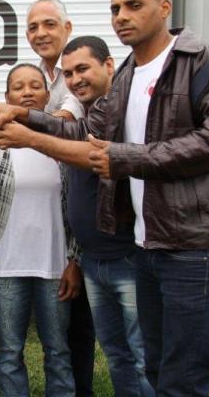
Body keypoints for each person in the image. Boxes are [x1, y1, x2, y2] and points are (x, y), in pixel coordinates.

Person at [0, 0, 209, 396]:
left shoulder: (201, 62)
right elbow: (84, 134)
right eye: (115, 9)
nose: (122, 16)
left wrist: (124, 158)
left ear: (164, 9)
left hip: (196, 245)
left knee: (185, 376)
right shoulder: (127, 75)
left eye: (134, 6)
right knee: (155, 369)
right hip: (146, 245)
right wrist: (24, 116)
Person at [0, 63, 77, 397]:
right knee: (10, 350)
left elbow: (76, 209)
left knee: (58, 349)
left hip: (55, 266)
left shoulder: (61, 142)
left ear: (48, 96)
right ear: (7, 97)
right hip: (5, 264)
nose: (27, 92)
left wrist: (74, 260)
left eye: (35, 85)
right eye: (18, 87)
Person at [63, 35, 152, 396]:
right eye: (68, 73)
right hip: (93, 261)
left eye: (82, 68)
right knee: (116, 355)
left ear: (109, 65)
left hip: (128, 257)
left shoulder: (126, 114)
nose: (75, 79)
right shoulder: (81, 116)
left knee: (143, 356)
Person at [26, 0, 96, 395]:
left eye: (49, 24)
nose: (41, 33)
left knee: (81, 316)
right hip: (52, 201)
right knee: (63, 314)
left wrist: (22, 123)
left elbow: (65, 122)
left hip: (83, 194)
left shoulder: (78, 70)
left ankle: (80, 387)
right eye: (34, 27)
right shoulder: (36, 76)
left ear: (67, 28)